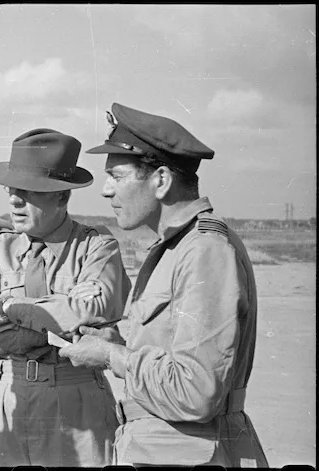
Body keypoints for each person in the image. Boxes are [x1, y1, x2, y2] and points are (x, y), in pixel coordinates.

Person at [59, 102, 269, 467]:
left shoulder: (204, 250)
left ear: (160, 180)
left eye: (117, 176)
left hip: (193, 454)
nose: (106, 191)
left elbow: (196, 390)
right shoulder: (177, 247)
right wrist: (115, 336)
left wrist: (111, 356)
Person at [0, 128, 131, 467]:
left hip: (77, 403)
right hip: (8, 398)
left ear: (62, 197)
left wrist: (4, 308)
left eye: (29, 192)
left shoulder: (97, 247)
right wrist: (57, 319)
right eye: (12, 190)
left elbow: (94, 310)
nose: (14, 201)